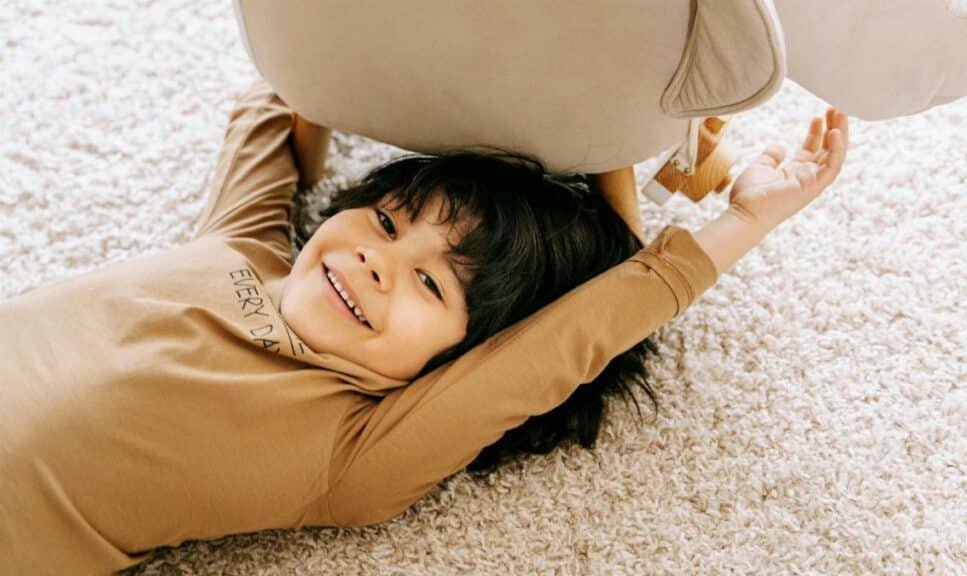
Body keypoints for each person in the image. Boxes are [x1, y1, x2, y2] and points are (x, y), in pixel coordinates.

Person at [0, 79, 848, 574]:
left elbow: (567, 340)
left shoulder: (354, 450)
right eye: (385, 223)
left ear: (457, 363)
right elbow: (291, 80)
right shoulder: (245, 244)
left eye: (432, 286)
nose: (378, 261)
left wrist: (741, 222)